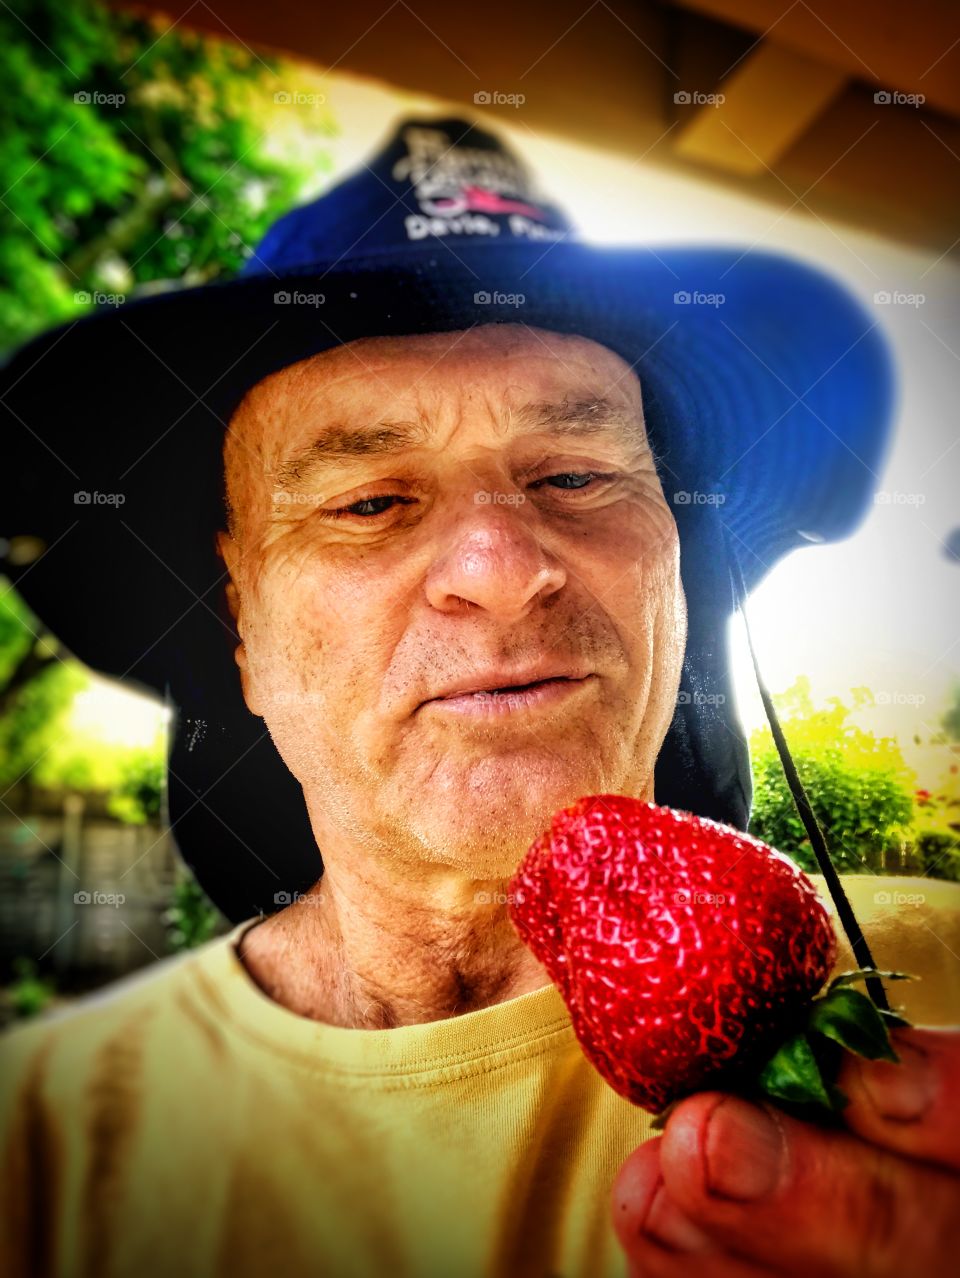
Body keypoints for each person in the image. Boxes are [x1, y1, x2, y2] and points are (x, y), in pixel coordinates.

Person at [1, 116, 958, 1278]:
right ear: (237, 628)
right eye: (368, 502)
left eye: (575, 475)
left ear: (676, 571)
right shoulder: (37, 1150)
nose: (504, 568)